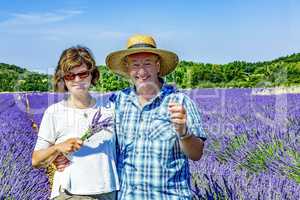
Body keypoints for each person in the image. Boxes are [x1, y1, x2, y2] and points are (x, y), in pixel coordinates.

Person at [105, 35, 207, 200]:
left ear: (158, 66)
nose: (142, 72)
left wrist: (184, 132)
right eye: (135, 65)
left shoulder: (181, 101)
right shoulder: (117, 101)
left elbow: (196, 154)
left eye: (147, 63)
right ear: (128, 68)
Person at [32, 46, 119, 200]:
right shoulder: (54, 112)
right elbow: (36, 160)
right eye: (70, 76)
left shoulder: (110, 108)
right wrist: (58, 148)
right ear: (63, 79)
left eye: (83, 74)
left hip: (108, 192)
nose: (77, 80)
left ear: (92, 75)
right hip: (70, 194)